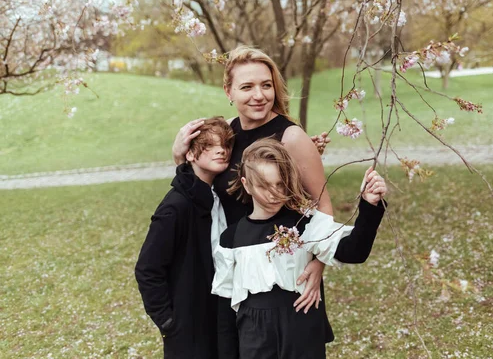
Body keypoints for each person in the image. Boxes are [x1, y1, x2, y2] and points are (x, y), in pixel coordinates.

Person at [172, 46, 333, 358]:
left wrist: (319, 264)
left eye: (266, 85)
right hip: (236, 271)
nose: (259, 95)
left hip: (282, 279)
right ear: (228, 91)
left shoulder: (291, 138)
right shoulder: (226, 133)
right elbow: (201, 184)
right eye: (247, 87)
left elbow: (323, 206)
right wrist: (179, 155)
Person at [211, 138, 387, 359]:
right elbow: (225, 308)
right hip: (254, 336)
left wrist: (369, 206)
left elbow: (354, 252)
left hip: (301, 327)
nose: (274, 193)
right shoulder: (231, 238)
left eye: (279, 184)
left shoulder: (303, 224)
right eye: (264, 186)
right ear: (246, 184)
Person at [135, 117, 234, 359]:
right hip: (188, 327)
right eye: (209, 145)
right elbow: (147, 269)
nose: (220, 150)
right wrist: (168, 321)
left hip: (220, 316)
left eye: (224, 145)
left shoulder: (218, 196)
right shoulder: (176, 206)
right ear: (190, 154)